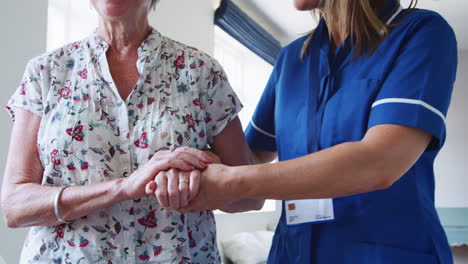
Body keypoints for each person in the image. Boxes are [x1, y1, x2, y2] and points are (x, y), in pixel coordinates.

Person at [179, 0, 458, 263]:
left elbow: (381, 161)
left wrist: (231, 180)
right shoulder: (293, 58)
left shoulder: (420, 33)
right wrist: (189, 163)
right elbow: (246, 164)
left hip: (384, 252)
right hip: (293, 251)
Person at [1, 0, 263, 263]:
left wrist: (201, 169)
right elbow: (15, 207)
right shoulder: (45, 72)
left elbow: (250, 198)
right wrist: (124, 187)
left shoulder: (202, 72)